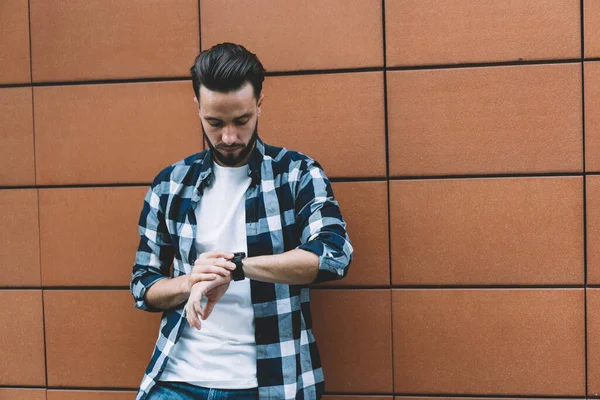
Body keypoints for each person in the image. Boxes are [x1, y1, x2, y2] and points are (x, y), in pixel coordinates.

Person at [130, 42, 353, 400]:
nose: (229, 137)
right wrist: (192, 281)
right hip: (177, 379)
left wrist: (237, 267)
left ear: (259, 104)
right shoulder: (171, 185)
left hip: (268, 383)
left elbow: (333, 255)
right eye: (215, 123)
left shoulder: (296, 175)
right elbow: (143, 285)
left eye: (242, 120)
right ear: (198, 108)